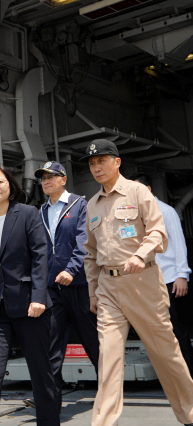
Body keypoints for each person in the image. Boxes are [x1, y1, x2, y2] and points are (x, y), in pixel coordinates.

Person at [82, 139, 193, 426]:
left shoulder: (138, 192)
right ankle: (104, 422)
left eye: (102, 161)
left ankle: (190, 414)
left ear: (117, 162)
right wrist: (93, 292)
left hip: (142, 283)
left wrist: (140, 255)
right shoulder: (92, 206)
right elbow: (90, 254)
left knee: (166, 354)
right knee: (108, 360)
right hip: (108, 290)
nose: (97, 167)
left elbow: (158, 232)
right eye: (92, 164)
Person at [0, 163, 59, 426]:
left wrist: (39, 297)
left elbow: (41, 258)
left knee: (42, 372)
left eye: (0, 182)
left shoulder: (28, 213)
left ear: (10, 186)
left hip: (31, 306)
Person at [36, 161, 98, 405]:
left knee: (93, 342)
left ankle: (109, 396)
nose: (46, 181)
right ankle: (50, 402)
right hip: (53, 289)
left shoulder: (80, 205)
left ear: (63, 179)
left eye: (51, 176)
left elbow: (85, 242)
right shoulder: (39, 212)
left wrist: (71, 270)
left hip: (80, 286)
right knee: (51, 345)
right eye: (43, 178)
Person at [130, 172, 193, 374]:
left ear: (147, 189)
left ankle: (188, 375)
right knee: (158, 333)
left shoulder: (166, 211)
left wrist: (182, 275)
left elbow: (179, 244)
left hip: (171, 280)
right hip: (148, 283)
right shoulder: (135, 217)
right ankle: (171, 377)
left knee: (178, 331)